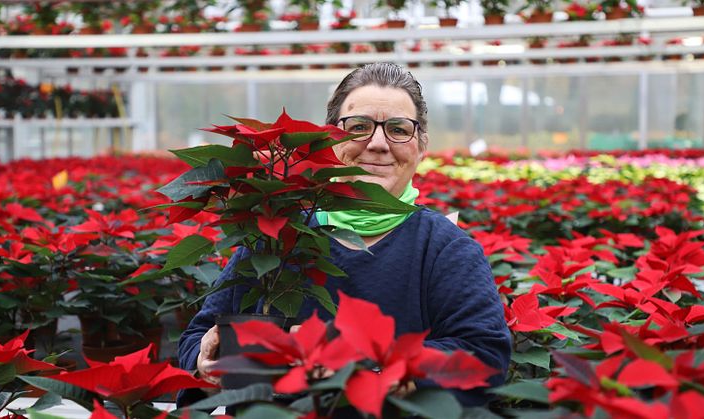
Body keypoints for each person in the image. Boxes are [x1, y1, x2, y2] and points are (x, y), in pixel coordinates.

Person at [177, 62, 511, 409]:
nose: (378, 143)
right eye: (359, 127)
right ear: (329, 142)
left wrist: (377, 367)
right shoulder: (278, 236)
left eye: (398, 129)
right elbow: (196, 340)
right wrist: (206, 366)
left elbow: (484, 355)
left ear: (421, 146)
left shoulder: (445, 248)